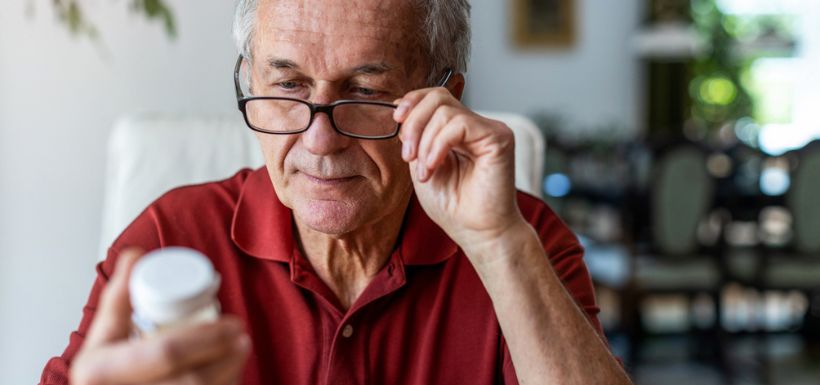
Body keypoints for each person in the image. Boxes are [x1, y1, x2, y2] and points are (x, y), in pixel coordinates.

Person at [40, 0, 632, 384]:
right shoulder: (172, 236)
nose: (318, 141)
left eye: (367, 92)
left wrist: (502, 246)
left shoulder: (522, 240)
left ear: (446, 96)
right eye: (288, 84)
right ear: (249, 81)